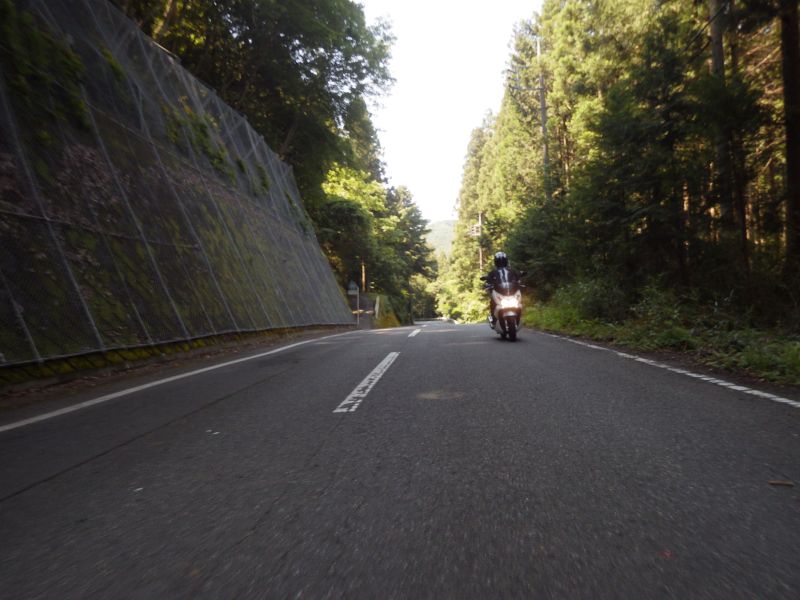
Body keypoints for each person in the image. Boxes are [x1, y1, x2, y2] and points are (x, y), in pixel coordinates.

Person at [484, 251, 521, 325]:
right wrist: (488, 285)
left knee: (519, 302)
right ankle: (493, 317)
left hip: (510, 292)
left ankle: (519, 317)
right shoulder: (494, 272)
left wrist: (519, 282)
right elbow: (488, 280)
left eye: (502, 261)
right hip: (499, 291)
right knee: (492, 301)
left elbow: (518, 278)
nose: (501, 262)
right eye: (500, 261)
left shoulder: (511, 271)